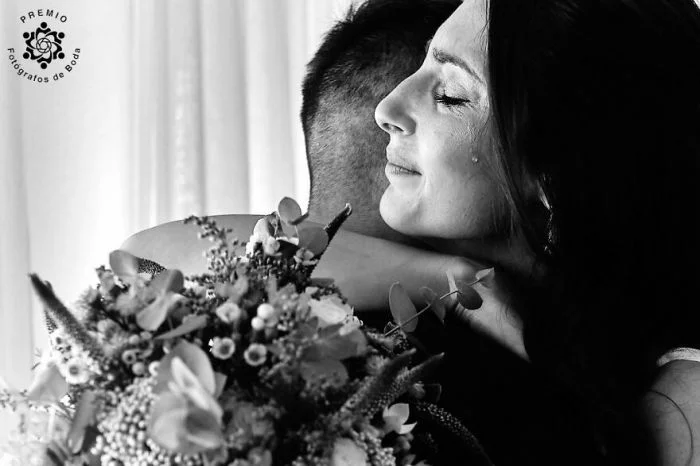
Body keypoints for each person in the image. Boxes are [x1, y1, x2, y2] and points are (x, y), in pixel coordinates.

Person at [373, 0, 700, 464]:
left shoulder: (681, 405)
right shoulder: (462, 298)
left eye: (450, 95)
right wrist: (453, 279)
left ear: (553, 179)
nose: (385, 107)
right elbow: (280, 242)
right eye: (420, 62)